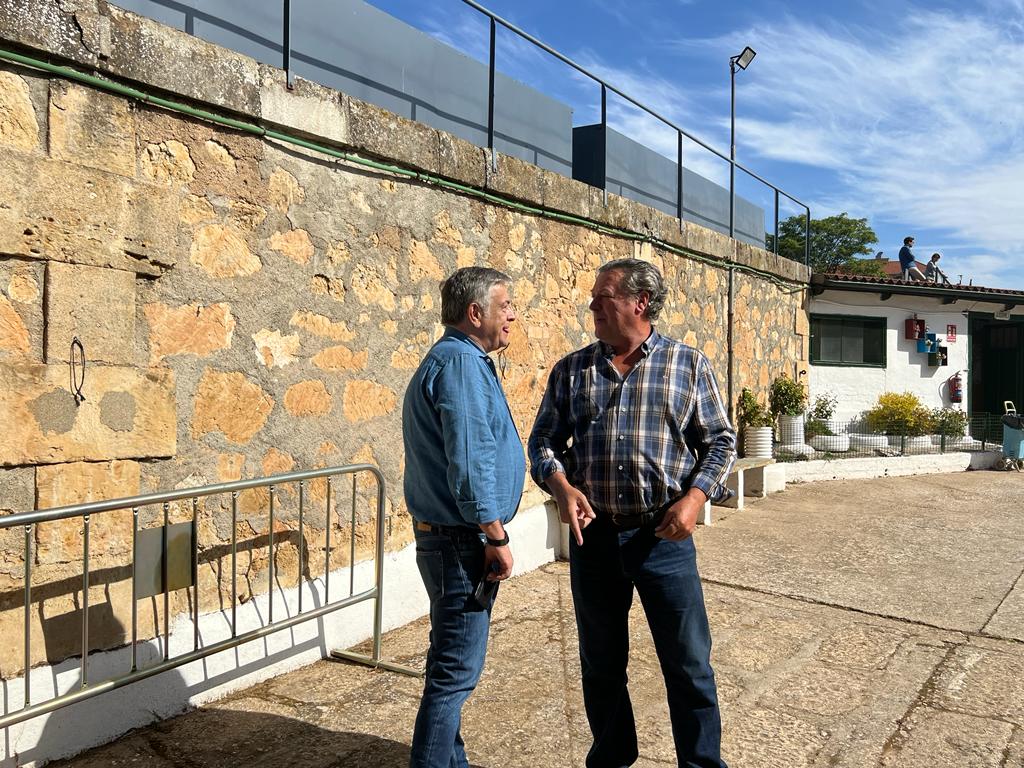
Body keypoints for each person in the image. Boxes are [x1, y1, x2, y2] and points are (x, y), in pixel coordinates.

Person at [528, 258, 736, 768]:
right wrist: (560, 486)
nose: (592, 305)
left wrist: (695, 499)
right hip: (594, 538)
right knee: (601, 665)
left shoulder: (688, 365)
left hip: (663, 536)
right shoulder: (571, 370)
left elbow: (721, 441)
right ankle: (612, 759)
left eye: (604, 296)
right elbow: (543, 442)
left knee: (689, 665)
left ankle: (702, 764)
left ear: (639, 303)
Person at [402, 266, 524, 768]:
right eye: (505, 305)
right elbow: (471, 462)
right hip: (461, 542)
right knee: (455, 675)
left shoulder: (455, 358)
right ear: (476, 313)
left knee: (448, 665)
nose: (513, 314)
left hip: (450, 538)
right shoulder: (461, 364)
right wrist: (495, 534)